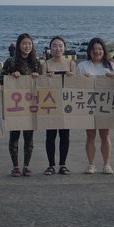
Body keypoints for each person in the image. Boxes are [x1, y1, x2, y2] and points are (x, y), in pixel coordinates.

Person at [77, 37, 114, 175]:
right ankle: (91, 164)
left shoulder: (111, 66)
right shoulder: (82, 66)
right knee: (90, 135)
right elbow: (75, 85)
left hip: (106, 105)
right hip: (88, 104)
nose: (97, 51)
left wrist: (113, 77)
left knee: (105, 134)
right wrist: (84, 79)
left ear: (104, 50)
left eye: (100, 49)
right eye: (94, 49)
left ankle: (106, 164)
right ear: (89, 50)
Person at [1, 33, 42, 177]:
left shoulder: (36, 63)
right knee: (14, 136)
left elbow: (44, 84)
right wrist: (12, 76)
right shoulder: (10, 61)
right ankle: (15, 166)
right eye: (24, 43)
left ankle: (26, 166)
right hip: (15, 105)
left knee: (29, 137)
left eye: (29, 44)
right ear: (19, 45)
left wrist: (38, 77)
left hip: (31, 105)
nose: (27, 46)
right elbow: (1, 79)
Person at [42, 36, 76, 176]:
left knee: (65, 135)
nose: (58, 48)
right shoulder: (46, 64)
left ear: (64, 48)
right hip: (50, 103)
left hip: (66, 102)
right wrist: (46, 78)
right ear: (50, 48)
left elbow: (76, 83)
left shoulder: (70, 63)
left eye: (60, 46)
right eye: (55, 46)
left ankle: (63, 164)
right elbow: (41, 85)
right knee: (50, 135)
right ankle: (51, 165)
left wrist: (71, 75)